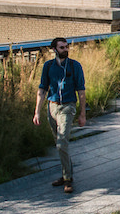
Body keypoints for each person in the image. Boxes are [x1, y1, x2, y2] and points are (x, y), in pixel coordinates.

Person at [33, 37, 86, 193]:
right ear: (54, 49)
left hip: (68, 107)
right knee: (59, 143)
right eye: (62, 47)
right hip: (52, 106)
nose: (65, 50)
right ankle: (66, 174)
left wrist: (82, 114)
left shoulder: (75, 66)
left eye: (66, 47)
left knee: (62, 142)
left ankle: (68, 179)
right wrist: (37, 112)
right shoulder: (48, 66)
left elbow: (81, 91)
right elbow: (42, 89)